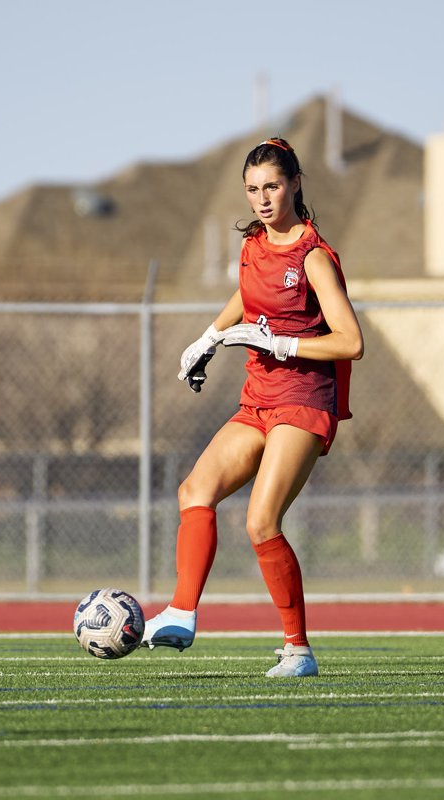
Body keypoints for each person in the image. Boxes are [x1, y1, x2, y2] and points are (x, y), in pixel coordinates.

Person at [140, 137, 364, 677]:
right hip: (258, 398)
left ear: (295, 184)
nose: (262, 199)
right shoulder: (253, 246)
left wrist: (283, 345)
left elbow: (350, 341)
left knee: (262, 521)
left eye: (272, 186)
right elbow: (248, 296)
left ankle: (299, 651)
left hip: (304, 401)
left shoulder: (312, 256)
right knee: (195, 491)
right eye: (252, 189)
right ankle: (182, 612)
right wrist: (206, 340)